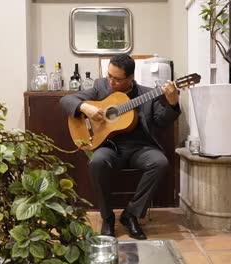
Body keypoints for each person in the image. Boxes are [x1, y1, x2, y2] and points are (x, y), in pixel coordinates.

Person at [60, 54, 180, 240]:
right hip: (110, 147)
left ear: (131, 78)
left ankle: (130, 214)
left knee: (160, 162)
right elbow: (66, 101)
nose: (111, 82)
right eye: (109, 76)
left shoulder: (147, 94)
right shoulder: (100, 87)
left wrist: (172, 103)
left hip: (140, 148)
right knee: (97, 162)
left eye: (117, 79)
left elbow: (161, 121)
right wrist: (85, 107)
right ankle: (107, 218)